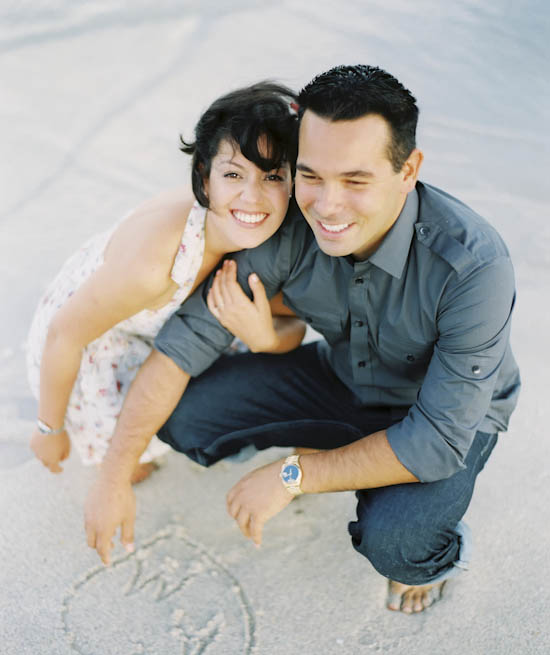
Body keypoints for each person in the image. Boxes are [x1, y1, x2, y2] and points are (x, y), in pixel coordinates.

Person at [84, 65, 520, 615]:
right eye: (311, 175)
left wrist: (293, 476)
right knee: (185, 416)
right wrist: (113, 477)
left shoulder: (473, 266)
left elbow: (436, 441)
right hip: (343, 377)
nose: (327, 206)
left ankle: (433, 558)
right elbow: (182, 344)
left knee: (400, 544)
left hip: (441, 415)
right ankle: (335, 444)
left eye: (356, 180)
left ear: (408, 170)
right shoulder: (292, 221)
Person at [27, 82, 304, 483]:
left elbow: (292, 323)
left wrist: (266, 338)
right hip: (90, 340)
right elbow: (63, 335)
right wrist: (48, 429)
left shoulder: (265, 242)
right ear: (204, 178)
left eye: (273, 177)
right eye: (233, 174)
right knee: (130, 460)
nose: (252, 196)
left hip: (142, 327)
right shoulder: (156, 264)